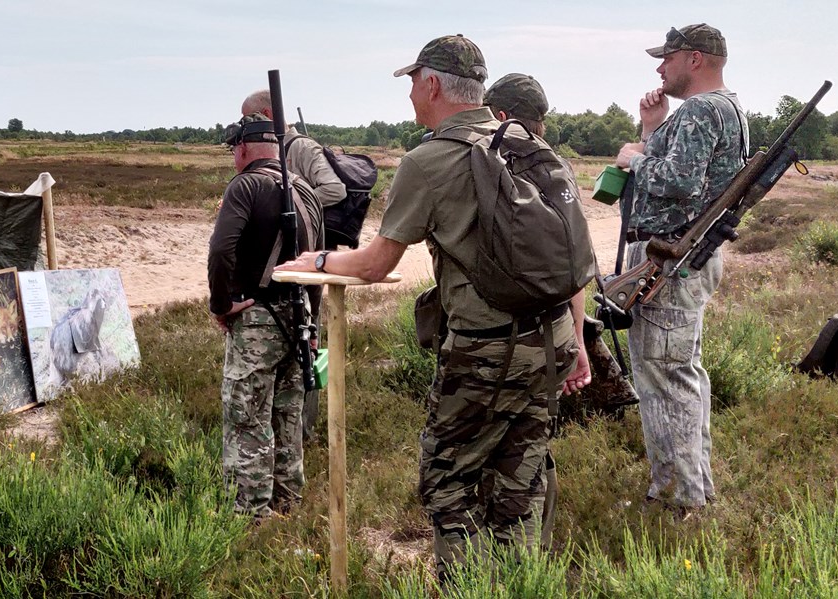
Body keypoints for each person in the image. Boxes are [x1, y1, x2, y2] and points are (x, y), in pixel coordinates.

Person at [277, 34, 587, 581]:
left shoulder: (429, 160)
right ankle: (517, 586)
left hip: (487, 353)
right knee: (521, 476)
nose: (411, 98)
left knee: (448, 479)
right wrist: (579, 342)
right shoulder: (521, 143)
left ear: (435, 84)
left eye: (414, 84)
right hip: (552, 337)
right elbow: (571, 260)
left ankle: (469, 588)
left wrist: (321, 260)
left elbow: (375, 264)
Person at [614, 24, 749, 514]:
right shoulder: (723, 108)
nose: (659, 67)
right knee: (673, 374)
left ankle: (680, 499)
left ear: (695, 59)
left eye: (667, 58)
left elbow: (677, 182)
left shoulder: (701, 109)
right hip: (676, 260)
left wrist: (634, 157)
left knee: (667, 378)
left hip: (671, 263)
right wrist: (652, 128)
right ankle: (688, 488)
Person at [483, 72, 592, 548]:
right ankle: (528, 560)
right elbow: (577, 268)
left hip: (490, 343)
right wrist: (579, 343)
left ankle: (480, 570)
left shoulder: (487, 164)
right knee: (529, 455)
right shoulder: (558, 169)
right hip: (552, 335)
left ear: (501, 116)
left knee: (474, 459)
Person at [208, 113, 320, 520]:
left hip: (257, 320)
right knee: (288, 417)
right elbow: (317, 268)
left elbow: (221, 251)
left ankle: (250, 516)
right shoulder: (306, 192)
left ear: (242, 149)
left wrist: (221, 304)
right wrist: (314, 327)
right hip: (299, 320)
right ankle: (288, 507)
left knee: (247, 419)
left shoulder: (245, 185)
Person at [242, 90, 346, 442]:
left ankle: (304, 430)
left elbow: (336, 189)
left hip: (308, 265)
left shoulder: (301, 149)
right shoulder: (275, 153)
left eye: (251, 120)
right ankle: (281, 430)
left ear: (269, 114)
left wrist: (294, 198)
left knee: (308, 346)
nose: (247, 129)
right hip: (283, 267)